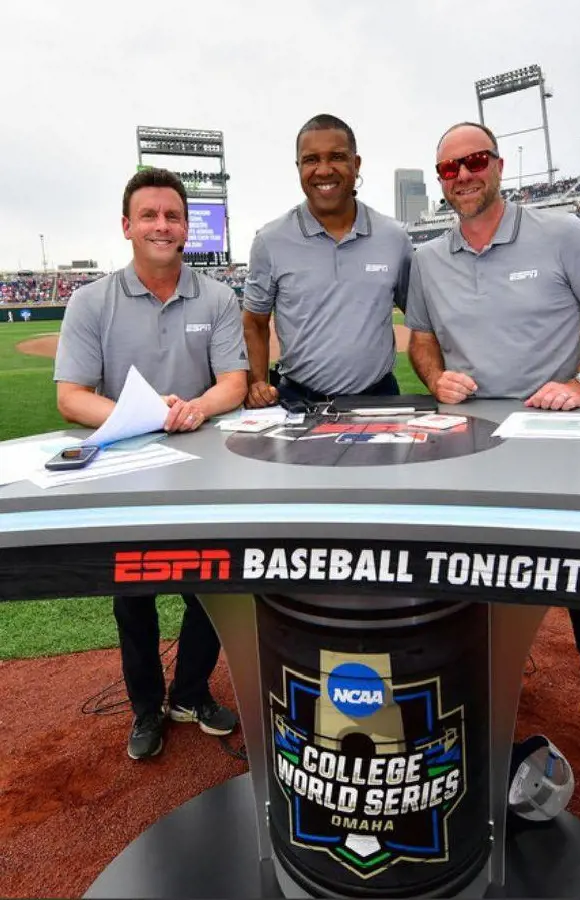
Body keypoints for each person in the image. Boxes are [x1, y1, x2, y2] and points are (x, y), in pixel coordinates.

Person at [406, 121, 580, 805]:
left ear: (497, 165)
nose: (461, 177)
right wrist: (434, 378)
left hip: (554, 437)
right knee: (468, 572)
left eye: (472, 162)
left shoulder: (561, 233)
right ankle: (469, 718)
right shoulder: (429, 258)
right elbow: (422, 340)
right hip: (470, 440)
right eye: (447, 168)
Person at [54, 168, 249, 760]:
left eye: (172, 216)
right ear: (127, 226)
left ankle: (190, 694)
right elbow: (71, 395)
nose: (161, 226)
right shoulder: (92, 301)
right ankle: (145, 707)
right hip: (128, 473)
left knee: (211, 589)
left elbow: (234, 382)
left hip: (201, 467)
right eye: (149, 216)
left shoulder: (215, 296)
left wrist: (196, 407)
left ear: (187, 227)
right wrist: (140, 415)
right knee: (132, 598)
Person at [243, 113, 414, 407]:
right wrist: (258, 381)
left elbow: (421, 317)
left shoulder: (394, 237)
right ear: (298, 167)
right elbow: (255, 322)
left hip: (379, 399)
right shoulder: (270, 240)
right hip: (298, 400)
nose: (324, 170)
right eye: (311, 160)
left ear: (356, 164)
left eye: (336, 157)